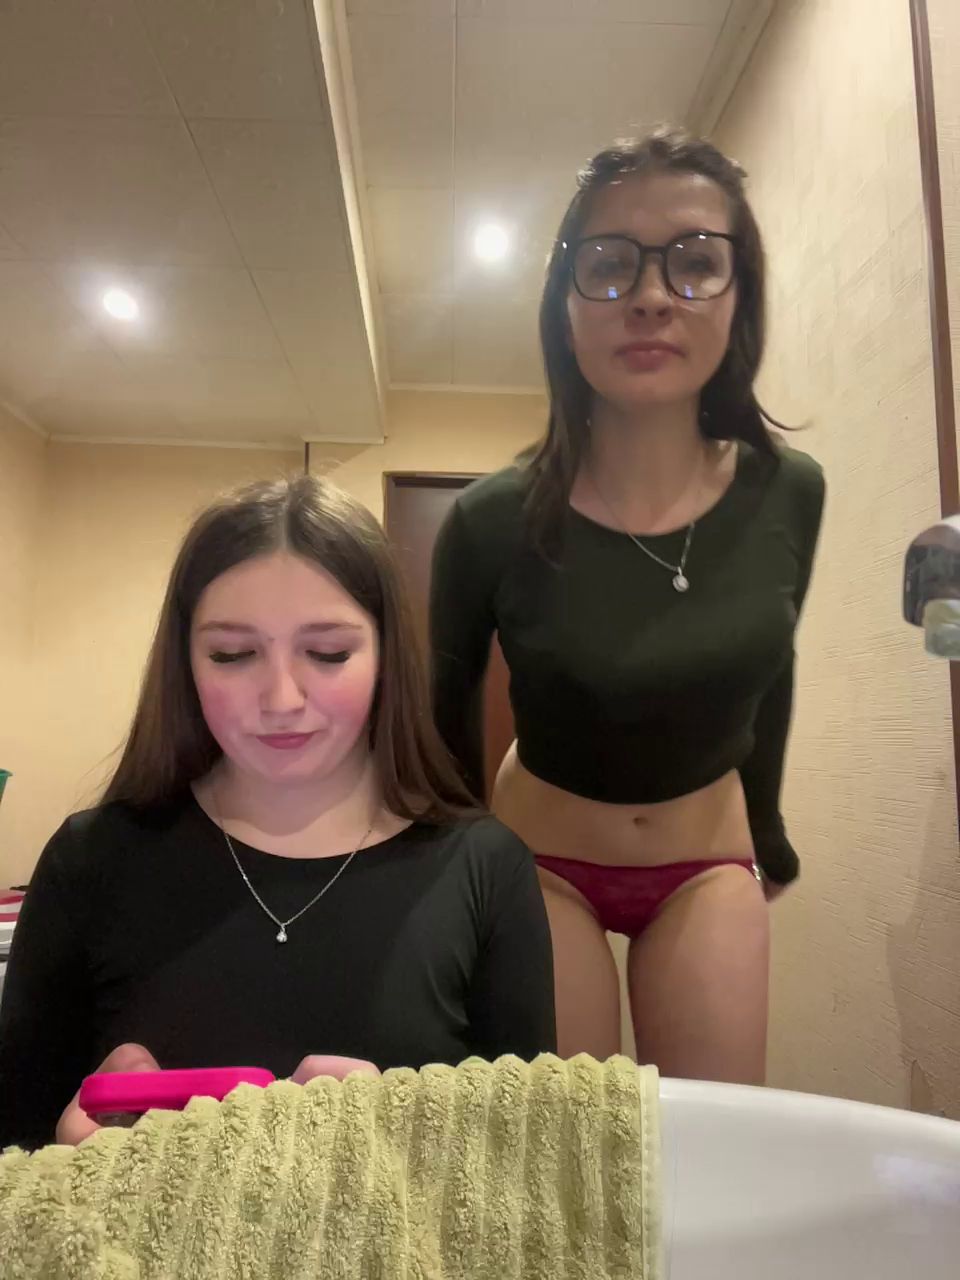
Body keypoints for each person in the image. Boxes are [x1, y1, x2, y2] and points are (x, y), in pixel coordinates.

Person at [430, 127, 824, 1083]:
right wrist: (447, 875)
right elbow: (440, 716)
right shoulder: (488, 520)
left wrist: (769, 827)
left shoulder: (791, 491)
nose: (651, 295)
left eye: (695, 262)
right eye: (609, 264)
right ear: (564, 305)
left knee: (716, 1138)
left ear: (741, 294)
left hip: (708, 862)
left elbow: (771, 668)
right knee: (573, 1150)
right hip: (540, 864)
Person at [0, 475, 556, 1152]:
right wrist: (72, 1162)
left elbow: (528, 1165)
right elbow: (16, 1148)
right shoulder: (90, 861)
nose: (282, 698)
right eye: (233, 655)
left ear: (386, 657)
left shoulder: (485, 869)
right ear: (185, 661)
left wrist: (400, 1140)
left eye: (328, 653)